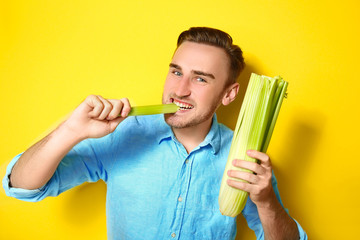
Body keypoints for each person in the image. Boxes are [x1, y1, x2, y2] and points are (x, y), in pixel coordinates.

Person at [3, 27, 307, 240]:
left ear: (229, 94)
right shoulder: (124, 134)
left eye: (200, 79)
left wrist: (266, 202)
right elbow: (21, 185)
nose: (180, 90)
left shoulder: (244, 158)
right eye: (176, 72)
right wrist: (70, 130)